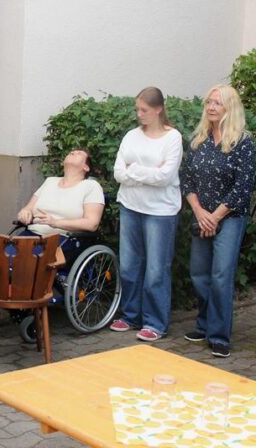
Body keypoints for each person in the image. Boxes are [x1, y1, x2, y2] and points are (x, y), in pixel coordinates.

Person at [0, 148, 104, 346]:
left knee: (15, 265)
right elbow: (28, 208)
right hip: (31, 234)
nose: (72, 152)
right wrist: (25, 214)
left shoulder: (90, 187)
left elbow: (91, 223)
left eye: (78, 153)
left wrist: (55, 222)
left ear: (86, 166)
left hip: (62, 239)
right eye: (71, 151)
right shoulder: (50, 182)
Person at [181, 84, 255, 358]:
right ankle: (203, 324)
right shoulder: (198, 140)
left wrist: (215, 216)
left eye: (217, 103)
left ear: (230, 108)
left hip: (230, 217)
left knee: (221, 275)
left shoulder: (243, 142)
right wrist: (200, 212)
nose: (211, 107)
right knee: (199, 274)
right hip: (202, 216)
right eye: (209, 103)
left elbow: (243, 186)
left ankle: (219, 335)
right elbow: (187, 180)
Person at [109, 87, 183, 342]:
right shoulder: (131, 136)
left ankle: (155, 322)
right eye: (137, 109)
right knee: (129, 265)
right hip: (130, 205)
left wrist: (134, 171)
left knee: (156, 269)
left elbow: (165, 177)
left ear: (159, 109)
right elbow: (119, 172)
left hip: (160, 211)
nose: (139, 114)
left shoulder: (172, 138)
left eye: (144, 110)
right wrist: (146, 172)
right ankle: (131, 316)